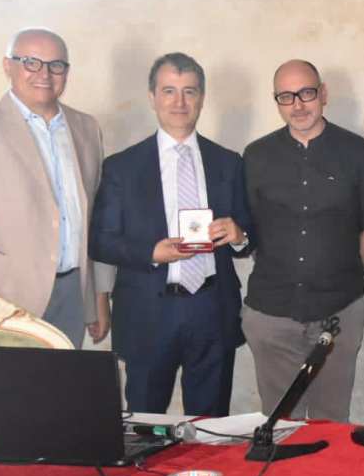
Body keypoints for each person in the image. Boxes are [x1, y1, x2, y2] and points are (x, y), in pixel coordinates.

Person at [89, 53, 251, 416]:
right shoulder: (122, 167)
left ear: (202, 98)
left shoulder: (229, 162)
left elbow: (248, 233)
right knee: (146, 423)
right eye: (169, 91)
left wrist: (239, 235)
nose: (179, 102)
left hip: (212, 308)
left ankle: (206, 473)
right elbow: (100, 240)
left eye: (189, 92)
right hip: (148, 312)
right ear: (152, 97)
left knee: (211, 427)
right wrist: (151, 251)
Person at [243, 60, 364, 422]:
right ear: (277, 102)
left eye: (306, 93)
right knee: (277, 423)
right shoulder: (255, 157)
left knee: (331, 422)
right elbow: (251, 231)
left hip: (338, 312)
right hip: (271, 314)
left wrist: (339, 274)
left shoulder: (360, 154)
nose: (298, 105)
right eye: (286, 96)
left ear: (323, 94)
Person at [0, 27, 110, 348]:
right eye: (31, 62)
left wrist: (97, 296)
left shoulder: (86, 128)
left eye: (56, 65)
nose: (44, 74)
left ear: (67, 72)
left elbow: (95, 221)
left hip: (72, 292)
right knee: (3, 394)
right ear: (8, 66)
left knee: (58, 391)